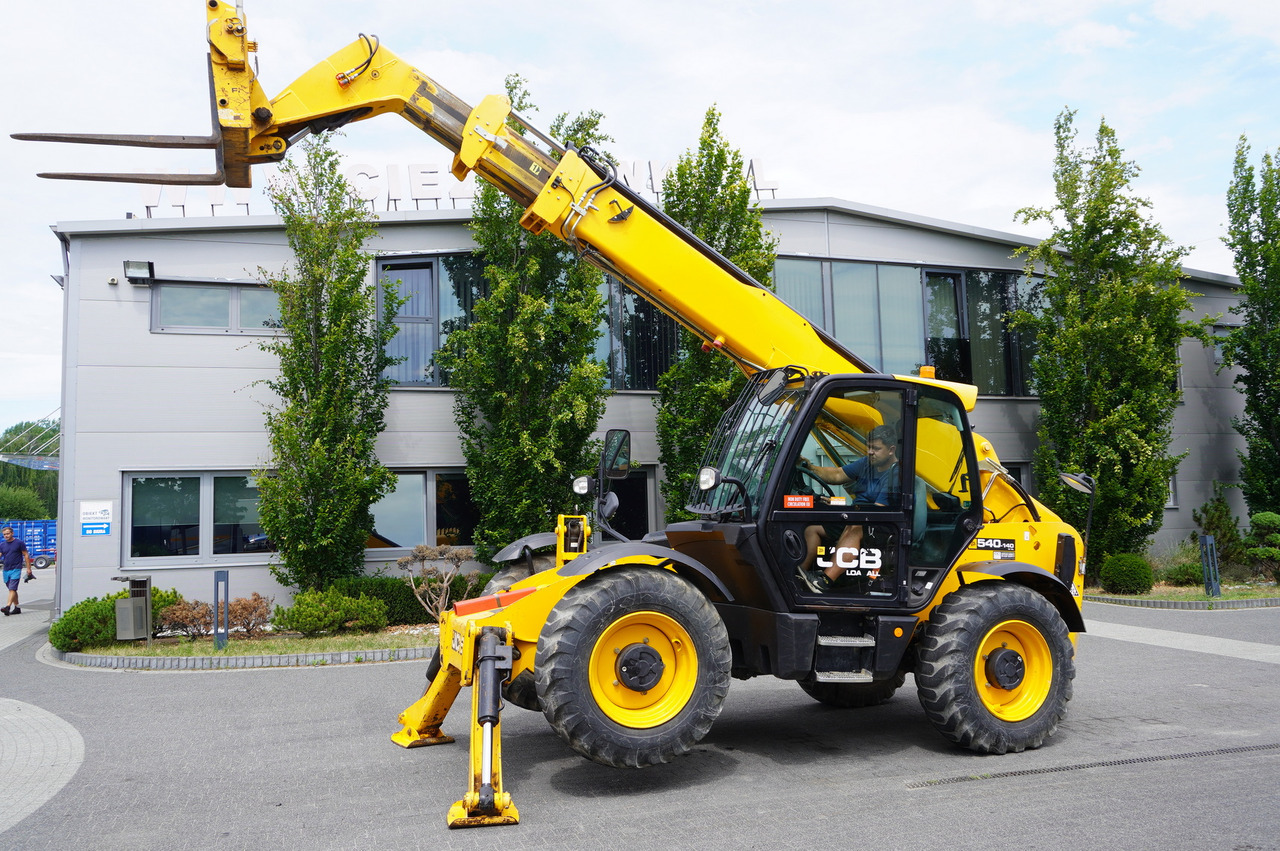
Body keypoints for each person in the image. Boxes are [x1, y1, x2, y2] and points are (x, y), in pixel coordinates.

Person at [798, 424, 900, 591]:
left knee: (855, 525)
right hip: (860, 516)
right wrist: (809, 466)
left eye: (876, 448)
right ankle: (799, 576)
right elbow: (837, 474)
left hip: (882, 524)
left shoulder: (896, 474)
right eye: (868, 447)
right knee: (813, 528)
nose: (870, 452)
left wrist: (849, 511)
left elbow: (876, 510)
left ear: (891, 450)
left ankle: (824, 581)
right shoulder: (867, 463)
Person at [1, 526, 34, 616]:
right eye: (4, 534)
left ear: (12, 533)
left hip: (16, 568)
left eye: (8, 533)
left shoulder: (19, 543)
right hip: (6, 569)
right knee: (11, 589)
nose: (6, 535)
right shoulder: (2, 545)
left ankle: (7, 607)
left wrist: (28, 568)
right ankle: (17, 608)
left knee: (12, 588)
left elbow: (26, 555)